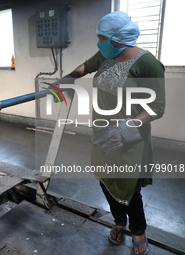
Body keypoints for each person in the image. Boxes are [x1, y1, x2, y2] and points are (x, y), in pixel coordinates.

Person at [66, 11, 165, 255]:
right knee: (106, 179)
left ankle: (138, 230)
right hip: (102, 133)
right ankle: (119, 222)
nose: (98, 42)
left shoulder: (148, 63)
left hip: (129, 138)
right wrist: (65, 79)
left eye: (102, 37)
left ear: (118, 39)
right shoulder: (106, 55)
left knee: (129, 187)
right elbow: (84, 67)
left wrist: (127, 127)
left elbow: (157, 107)